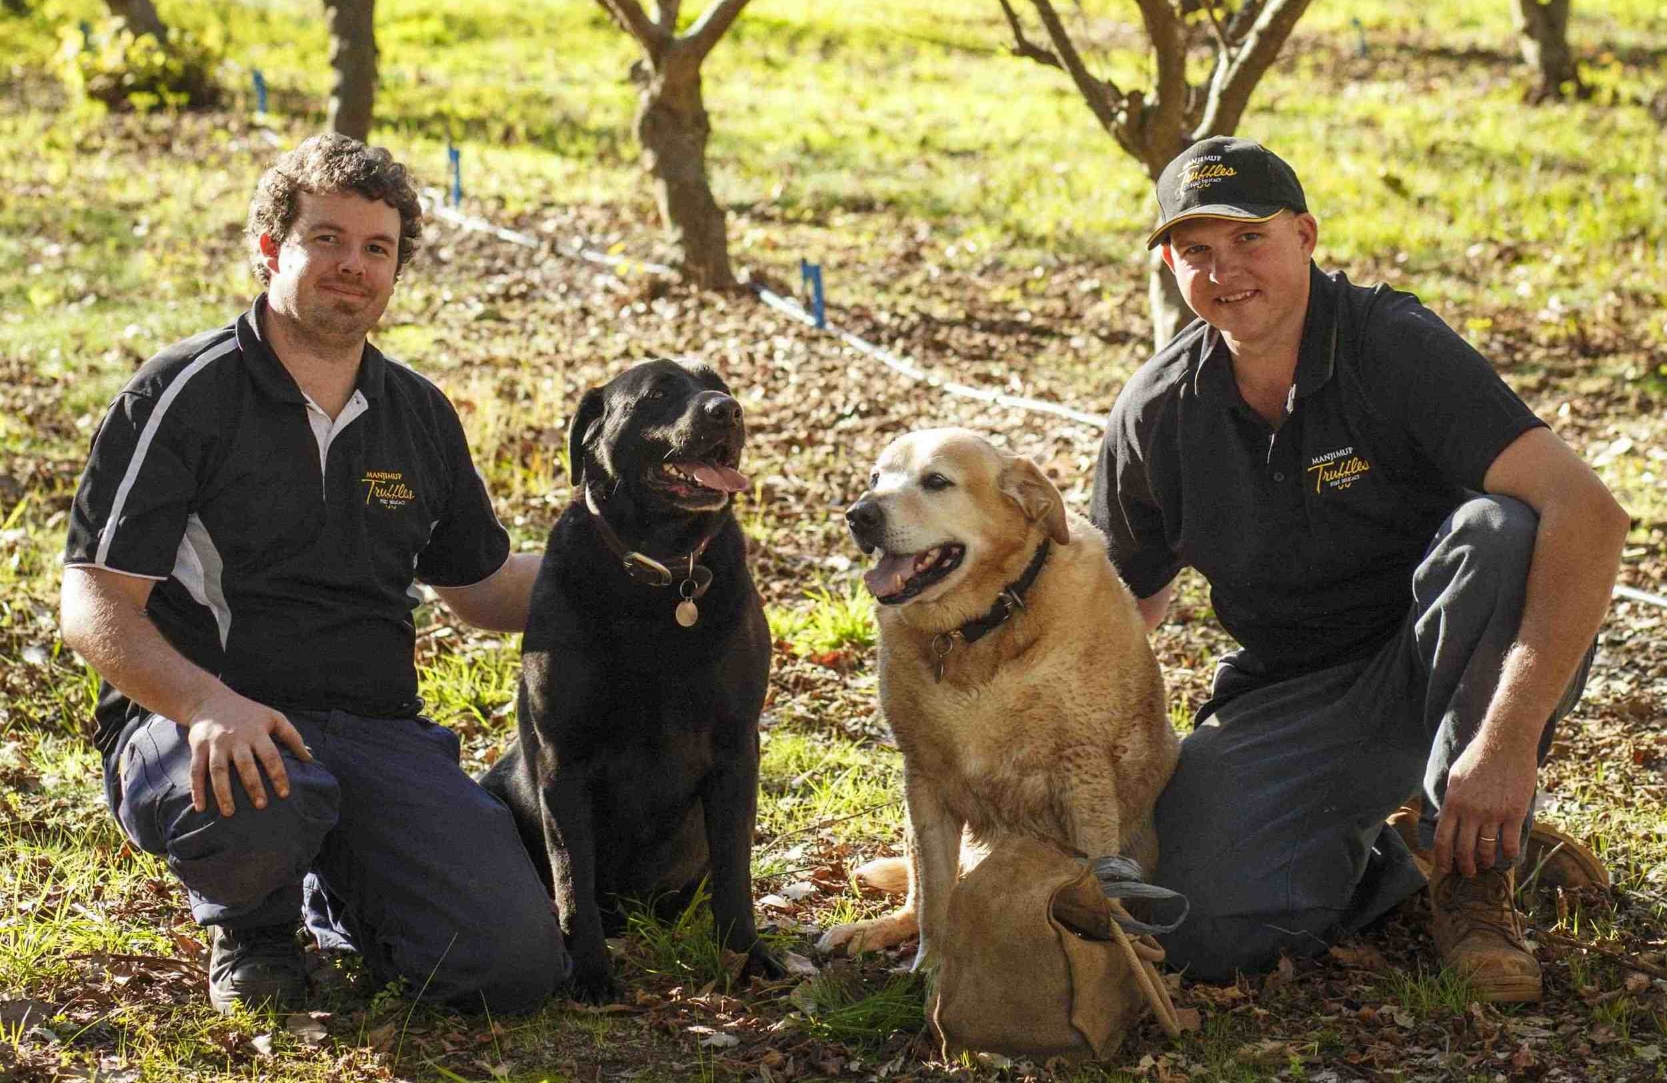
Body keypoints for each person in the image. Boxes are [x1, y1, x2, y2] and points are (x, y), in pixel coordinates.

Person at [1090, 136, 1628, 1001]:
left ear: (1304, 235)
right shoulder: (1156, 410)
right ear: (1167, 264)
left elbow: (1589, 514)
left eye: (1249, 238)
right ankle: (1412, 852)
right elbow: (1116, 610)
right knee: (1195, 925)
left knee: (1501, 531)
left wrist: (1505, 744)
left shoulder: (1392, 344)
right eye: (1196, 250)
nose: (1225, 271)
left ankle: (1475, 879)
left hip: (1446, 659)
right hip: (1287, 691)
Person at [59, 134, 569, 1015]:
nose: (353, 266)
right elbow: (93, 601)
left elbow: (481, 587)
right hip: (206, 718)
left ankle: (340, 897)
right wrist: (206, 703)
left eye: (378, 248)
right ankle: (253, 930)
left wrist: (621, 572)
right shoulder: (183, 392)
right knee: (264, 797)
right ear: (270, 248)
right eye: (327, 238)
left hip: (372, 726)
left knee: (511, 969)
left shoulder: (418, 413)